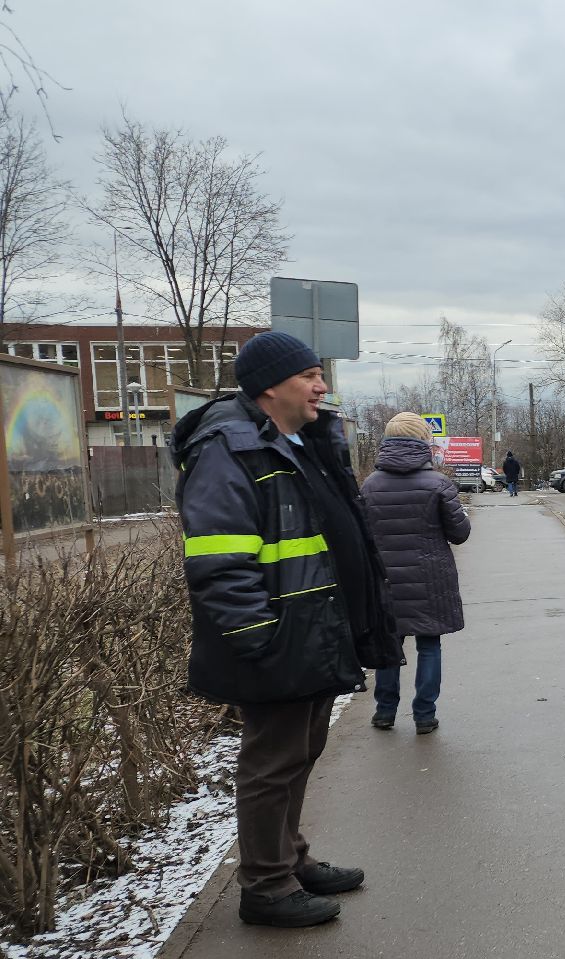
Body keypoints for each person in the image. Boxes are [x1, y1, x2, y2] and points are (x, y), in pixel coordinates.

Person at [172, 331, 401, 928]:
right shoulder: (229, 446)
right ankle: (266, 887)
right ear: (270, 386)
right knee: (272, 761)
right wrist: (257, 637)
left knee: (302, 751)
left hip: (315, 629)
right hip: (279, 636)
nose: (322, 386)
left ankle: (289, 858)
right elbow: (219, 559)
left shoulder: (298, 440)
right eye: (309, 376)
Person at [361, 413, 471, 733]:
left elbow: (363, 535)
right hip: (430, 579)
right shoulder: (438, 484)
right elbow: (460, 533)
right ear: (424, 442)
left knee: (390, 646)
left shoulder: (370, 485)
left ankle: (384, 712)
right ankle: (424, 715)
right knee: (429, 645)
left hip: (386, 580)